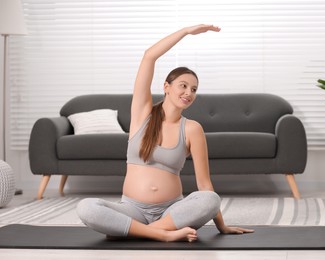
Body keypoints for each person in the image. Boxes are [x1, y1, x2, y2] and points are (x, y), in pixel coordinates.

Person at [77, 24, 254, 242]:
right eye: (183, 85)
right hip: (133, 210)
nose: (188, 93)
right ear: (166, 86)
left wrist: (222, 226)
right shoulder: (142, 114)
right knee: (87, 208)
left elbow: (205, 185)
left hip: (172, 212)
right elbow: (149, 56)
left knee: (210, 199)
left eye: (194, 89)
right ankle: (161, 235)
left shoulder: (192, 129)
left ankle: (143, 232)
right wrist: (186, 32)